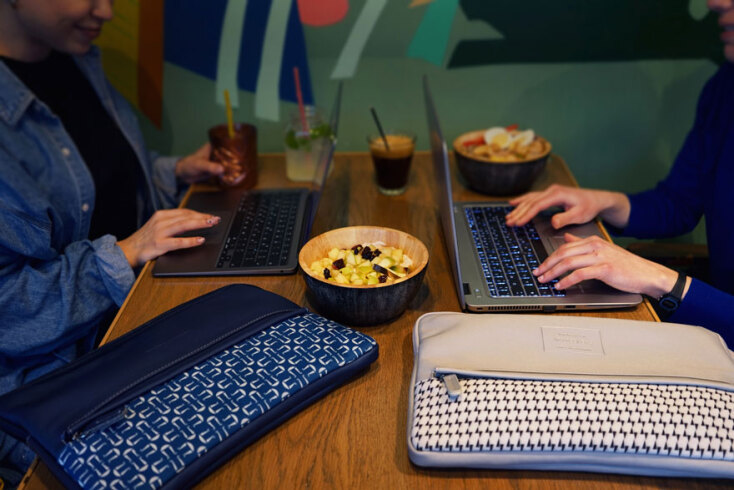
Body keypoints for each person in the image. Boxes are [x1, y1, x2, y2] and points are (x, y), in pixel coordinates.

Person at [0, 0, 225, 483]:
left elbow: (101, 193)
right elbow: (7, 312)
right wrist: (124, 254)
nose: (106, 11)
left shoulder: (77, 59)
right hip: (58, 387)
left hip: (139, 315)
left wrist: (173, 174)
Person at [505, 0, 734, 346]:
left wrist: (660, 280)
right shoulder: (724, 87)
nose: (714, 3)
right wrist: (603, 202)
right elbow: (678, 204)